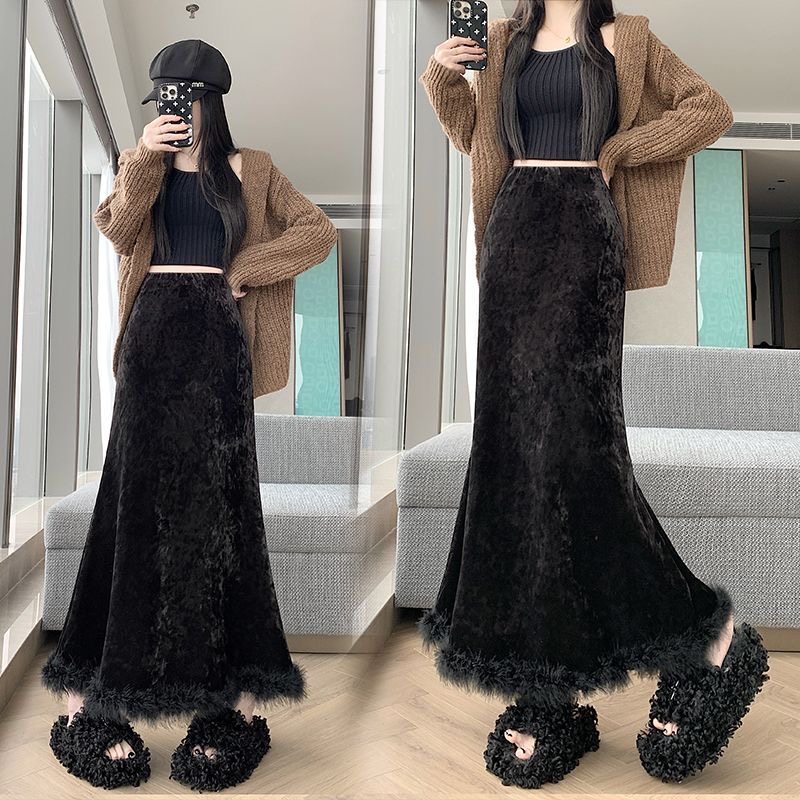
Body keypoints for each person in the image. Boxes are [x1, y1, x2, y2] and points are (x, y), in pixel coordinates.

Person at [418, 0, 768, 789]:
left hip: (584, 232)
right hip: (511, 235)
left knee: (579, 451)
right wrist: (443, 75)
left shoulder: (626, 39)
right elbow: (473, 136)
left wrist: (619, 149)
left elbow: (708, 109)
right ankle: (552, 682)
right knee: (515, 457)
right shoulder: (502, 41)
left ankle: (706, 632)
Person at [40, 39, 338, 792]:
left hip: (219, 344)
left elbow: (317, 232)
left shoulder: (253, 169)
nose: (172, 111)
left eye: (182, 98)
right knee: (133, 504)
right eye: (162, 100)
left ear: (209, 101)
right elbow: (116, 230)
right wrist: (145, 156)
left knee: (220, 512)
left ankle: (226, 699)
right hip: (152, 342)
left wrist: (246, 269)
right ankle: (97, 691)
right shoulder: (137, 163)